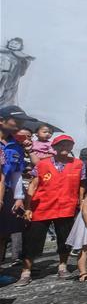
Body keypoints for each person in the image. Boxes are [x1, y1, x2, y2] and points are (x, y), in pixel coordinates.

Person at [18, 135, 83, 286]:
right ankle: (26, 271)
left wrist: (81, 200)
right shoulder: (42, 164)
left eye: (68, 144)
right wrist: (27, 207)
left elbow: (82, 184)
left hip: (66, 207)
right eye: (61, 145)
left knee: (65, 238)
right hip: (42, 207)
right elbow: (33, 185)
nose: (65, 147)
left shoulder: (78, 164)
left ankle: (62, 266)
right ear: (54, 148)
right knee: (32, 240)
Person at [0, 106, 33, 265]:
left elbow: (16, 174)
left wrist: (18, 197)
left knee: (3, 232)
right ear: (1, 121)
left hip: (6, 193)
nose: (20, 124)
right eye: (16, 121)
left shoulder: (16, 146)